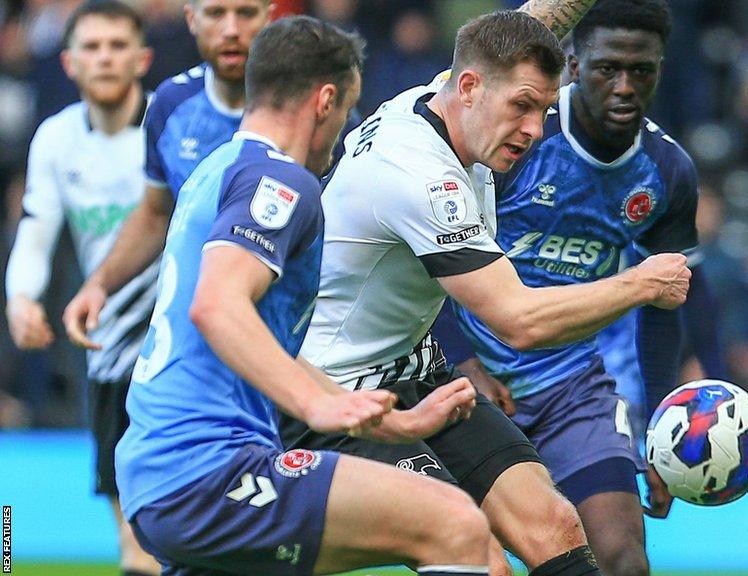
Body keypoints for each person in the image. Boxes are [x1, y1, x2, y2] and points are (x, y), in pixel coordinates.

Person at [293, 4, 690, 576]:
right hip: (336, 396)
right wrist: (639, 284)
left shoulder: (448, 98)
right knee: (476, 554)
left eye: (544, 110)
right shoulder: (421, 176)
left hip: (416, 374)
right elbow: (518, 321)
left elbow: (518, 31)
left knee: (554, 526)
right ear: (472, 88)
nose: (534, 130)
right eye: (522, 108)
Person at [115, 16, 488, 576]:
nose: (341, 130)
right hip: (204, 471)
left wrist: (396, 427)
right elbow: (216, 305)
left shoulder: (216, 168)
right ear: (325, 99)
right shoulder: (280, 181)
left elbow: (266, 343)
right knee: (456, 525)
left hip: (164, 473)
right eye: (344, 112)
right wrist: (319, 407)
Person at [430, 3, 721, 575]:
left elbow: (664, 306)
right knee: (474, 563)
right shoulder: (521, 137)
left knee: (623, 561)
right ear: (571, 65)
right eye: (607, 68)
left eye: (642, 71)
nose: (625, 87)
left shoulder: (667, 174)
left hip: (571, 388)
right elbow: (428, 255)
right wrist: (463, 363)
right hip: (463, 383)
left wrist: (660, 433)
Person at [4, 3, 161, 574]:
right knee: (132, 539)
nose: (105, 57)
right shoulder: (56, 138)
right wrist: (21, 298)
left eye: (118, 45)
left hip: (187, 346)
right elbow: (35, 228)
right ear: (69, 63)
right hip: (109, 350)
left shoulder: (171, 131)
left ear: (142, 58)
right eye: (91, 47)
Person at [62, 0, 270, 347]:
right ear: (191, 18)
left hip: (288, 331)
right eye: (216, 13)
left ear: (270, 17)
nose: (231, 29)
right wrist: (99, 283)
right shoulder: (171, 105)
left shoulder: (305, 100)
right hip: (195, 334)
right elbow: (155, 214)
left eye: (246, 13)